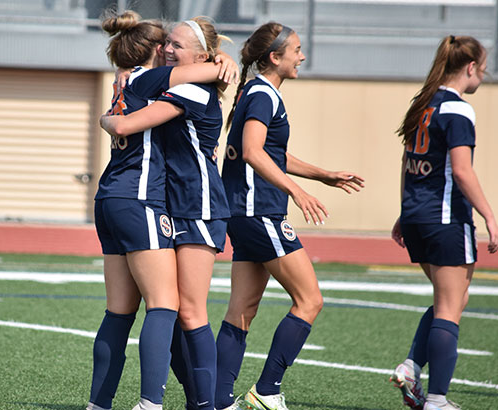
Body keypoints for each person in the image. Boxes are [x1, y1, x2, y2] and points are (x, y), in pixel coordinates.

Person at [89, 11, 238, 410]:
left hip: (197, 206)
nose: (169, 49)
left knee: (184, 311)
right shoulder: (153, 81)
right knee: (168, 309)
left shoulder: (178, 86)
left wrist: (222, 63)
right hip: (154, 202)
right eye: (166, 43)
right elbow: (130, 119)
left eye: (176, 44)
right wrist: (220, 64)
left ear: (200, 55)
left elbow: (125, 122)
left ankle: (206, 403)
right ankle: (180, 402)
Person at [215, 22, 364, 410]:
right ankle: (266, 390)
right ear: (274, 57)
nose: (302, 56)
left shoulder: (255, 91)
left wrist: (323, 174)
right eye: (296, 49)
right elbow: (252, 151)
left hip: (243, 212)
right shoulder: (265, 94)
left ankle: (215, 400)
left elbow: (270, 152)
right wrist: (296, 191)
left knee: (242, 310)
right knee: (310, 300)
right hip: (259, 211)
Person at [389, 35, 498, 410]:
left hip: (419, 216)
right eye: (483, 68)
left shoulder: (423, 105)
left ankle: (410, 366)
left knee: (451, 299)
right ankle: (436, 400)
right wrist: (489, 214)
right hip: (446, 217)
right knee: (450, 307)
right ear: (470, 67)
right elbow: (462, 172)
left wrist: (405, 211)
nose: (483, 74)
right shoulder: (458, 109)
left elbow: (409, 165)